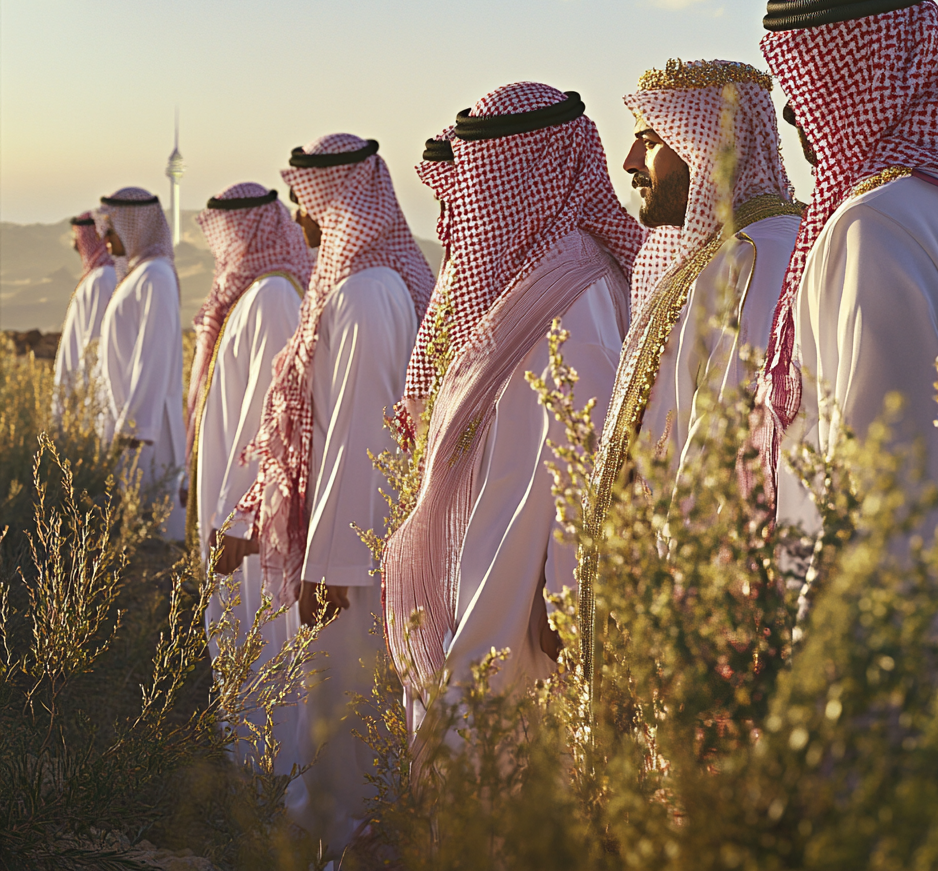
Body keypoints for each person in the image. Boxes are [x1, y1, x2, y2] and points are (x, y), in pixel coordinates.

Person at [381, 82, 646, 749]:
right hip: (487, 577)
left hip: (525, 608)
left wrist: (566, 600)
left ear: (532, 176)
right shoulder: (532, 280)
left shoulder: (576, 290)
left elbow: (586, 466)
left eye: (484, 180)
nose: (466, 207)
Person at [756, 0, 938, 561]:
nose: (797, 117)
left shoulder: (872, 228)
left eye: (804, 92)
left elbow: (882, 499)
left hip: (896, 629)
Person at [236, 134, 433, 857]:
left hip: (354, 558)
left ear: (336, 200)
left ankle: (357, 843)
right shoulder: (357, 284)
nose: (301, 220)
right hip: (348, 544)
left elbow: (363, 435)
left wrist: (335, 565)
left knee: (347, 712)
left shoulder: (366, 292)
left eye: (306, 203)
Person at [578, 59, 803, 680]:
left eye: (650, 140)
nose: (629, 162)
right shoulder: (705, 253)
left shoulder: (759, 256)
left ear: (706, 148)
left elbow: (728, 466)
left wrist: (680, 613)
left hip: (703, 615)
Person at [185, 182, 313, 723]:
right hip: (234, 513)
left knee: (262, 647)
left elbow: (270, 416)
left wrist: (237, 517)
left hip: (253, 524)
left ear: (248, 231)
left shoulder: (273, 297)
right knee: (238, 640)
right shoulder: (252, 296)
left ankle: (272, 785)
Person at [96, 187, 187, 539]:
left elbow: (154, 356)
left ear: (135, 227)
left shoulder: (156, 277)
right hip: (129, 427)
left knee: (152, 539)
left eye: (113, 227)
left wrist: (135, 431)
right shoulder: (140, 275)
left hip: (147, 434)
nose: (105, 237)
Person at [52, 213, 117, 416]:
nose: (74, 243)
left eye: (78, 236)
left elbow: (94, 342)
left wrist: (88, 397)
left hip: (86, 395)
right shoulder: (96, 277)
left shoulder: (103, 279)